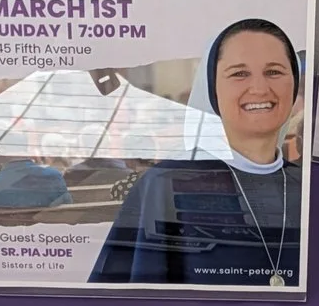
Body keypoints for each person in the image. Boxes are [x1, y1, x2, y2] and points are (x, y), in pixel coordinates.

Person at [87, 18, 303, 287]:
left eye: (274, 72)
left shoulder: (312, 187)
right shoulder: (166, 183)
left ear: (294, 83)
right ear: (212, 87)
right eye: (239, 73)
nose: (259, 88)